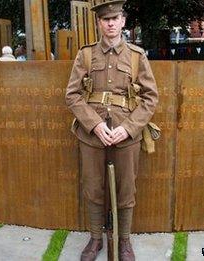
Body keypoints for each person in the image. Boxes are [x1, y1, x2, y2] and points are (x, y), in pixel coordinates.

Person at [65, 1, 158, 260]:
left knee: (126, 190)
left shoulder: (137, 56)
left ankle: (124, 241)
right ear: (99, 23)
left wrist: (128, 128)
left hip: (126, 136)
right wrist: (94, 124)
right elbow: (72, 95)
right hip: (91, 135)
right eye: (105, 19)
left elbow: (151, 98)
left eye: (115, 18)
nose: (111, 23)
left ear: (123, 22)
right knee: (93, 187)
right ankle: (95, 239)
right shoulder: (85, 55)